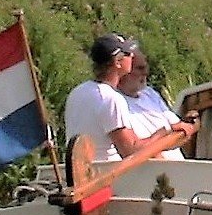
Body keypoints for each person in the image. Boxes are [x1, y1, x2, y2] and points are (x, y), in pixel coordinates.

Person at [64, 32, 189, 178]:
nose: (132, 57)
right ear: (118, 62)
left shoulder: (77, 92)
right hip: (107, 179)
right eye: (128, 54)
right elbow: (131, 151)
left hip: (81, 173)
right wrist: (165, 131)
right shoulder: (111, 99)